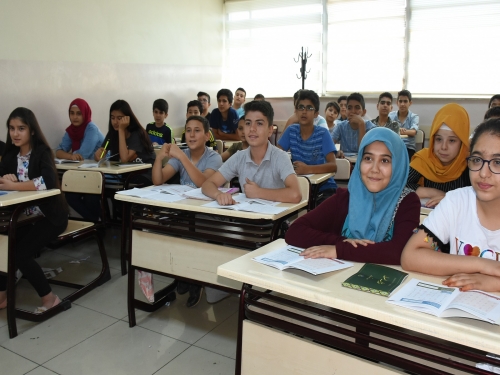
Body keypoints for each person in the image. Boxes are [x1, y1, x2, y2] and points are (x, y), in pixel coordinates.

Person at [286, 127, 420, 265]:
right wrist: (340, 242)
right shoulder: (345, 198)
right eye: (368, 158)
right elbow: (295, 232)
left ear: (399, 166)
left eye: (385, 161)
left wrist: (340, 250)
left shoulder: (408, 202)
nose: (374, 169)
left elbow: (400, 252)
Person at [401, 118, 500, 293]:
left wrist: (494, 283)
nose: (484, 173)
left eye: (497, 162)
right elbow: (410, 256)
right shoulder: (456, 202)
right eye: (477, 160)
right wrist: (483, 265)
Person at [0, 107, 69, 313]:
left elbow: (48, 182)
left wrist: (14, 185)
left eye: (21, 128)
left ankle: (50, 299)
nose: (15, 133)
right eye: (11, 128)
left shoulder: (41, 152)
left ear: (31, 130)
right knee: (5, 244)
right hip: (25, 217)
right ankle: (2, 296)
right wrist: (5, 179)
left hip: (51, 216)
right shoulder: (11, 154)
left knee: (20, 254)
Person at [153, 115, 222, 307]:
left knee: (194, 235)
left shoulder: (213, 157)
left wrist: (182, 157)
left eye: (197, 130)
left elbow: (203, 183)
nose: (191, 135)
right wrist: (159, 158)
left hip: (207, 215)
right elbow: (158, 180)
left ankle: (195, 279)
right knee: (165, 229)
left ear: (207, 136)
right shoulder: (182, 154)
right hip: (186, 212)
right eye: (188, 130)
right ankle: (183, 274)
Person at [202, 100, 301, 204]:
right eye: (248, 123)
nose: (252, 129)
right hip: (246, 217)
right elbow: (208, 184)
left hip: (274, 218)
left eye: (259, 123)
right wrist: (218, 195)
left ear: (270, 130)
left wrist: (259, 192)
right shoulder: (239, 157)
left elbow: (295, 195)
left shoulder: (280, 157)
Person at [278, 90, 338, 204]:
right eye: (301, 107)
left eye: (309, 108)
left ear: (316, 113)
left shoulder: (323, 133)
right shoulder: (291, 131)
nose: (304, 112)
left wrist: (307, 169)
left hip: (324, 188)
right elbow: (276, 155)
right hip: (299, 187)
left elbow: (333, 166)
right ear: (295, 111)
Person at [406, 103, 471, 208]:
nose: (443, 147)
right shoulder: (424, 159)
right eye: (439, 139)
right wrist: (433, 193)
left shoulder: (470, 165)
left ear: (462, 143)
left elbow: (479, 197)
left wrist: (450, 198)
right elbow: (399, 186)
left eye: (452, 140)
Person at [56, 99, 104, 221]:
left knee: (90, 196)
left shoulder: (91, 129)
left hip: (102, 172)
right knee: (70, 196)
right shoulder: (71, 130)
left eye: (79, 113)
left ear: (85, 114)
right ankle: (95, 223)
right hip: (83, 173)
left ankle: (97, 224)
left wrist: (71, 155)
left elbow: (83, 155)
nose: (75, 117)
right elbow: (58, 151)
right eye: (72, 113)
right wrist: (70, 156)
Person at [95, 100, 155, 165]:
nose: (115, 122)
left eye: (119, 118)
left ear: (128, 118)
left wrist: (121, 130)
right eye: (112, 118)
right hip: (124, 173)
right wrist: (97, 156)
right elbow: (101, 155)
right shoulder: (112, 133)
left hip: (145, 172)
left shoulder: (137, 133)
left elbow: (124, 159)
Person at [332, 92, 376, 158]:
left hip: (364, 163)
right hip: (346, 163)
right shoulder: (340, 126)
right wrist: (336, 151)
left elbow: (364, 151)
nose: (353, 111)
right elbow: (328, 145)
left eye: (357, 108)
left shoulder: (371, 127)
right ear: (346, 111)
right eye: (349, 108)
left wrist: (361, 125)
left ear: (364, 112)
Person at [389, 89, 419, 160]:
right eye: (400, 101)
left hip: (408, 148)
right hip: (393, 146)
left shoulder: (414, 117)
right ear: (397, 103)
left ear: (410, 103)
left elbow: (413, 132)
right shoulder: (391, 115)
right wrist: (399, 130)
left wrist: (399, 131)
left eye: (405, 101)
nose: (402, 104)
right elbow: (387, 130)